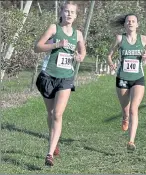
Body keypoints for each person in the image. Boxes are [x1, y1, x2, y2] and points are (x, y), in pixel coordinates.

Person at [34, 1, 86, 166]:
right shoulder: (53, 28)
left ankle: (49, 154)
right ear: (62, 12)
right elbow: (37, 47)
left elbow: (82, 50)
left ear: (76, 16)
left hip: (66, 77)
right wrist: (56, 44)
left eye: (73, 12)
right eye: (67, 11)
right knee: (50, 114)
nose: (70, 14)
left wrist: (80, 57)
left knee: (57, 114)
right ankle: (54, 141)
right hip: (48, 75)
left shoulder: (77, 34)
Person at [107, 14, 146, 151]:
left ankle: (131, 141)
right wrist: (111, 63)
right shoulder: (119, 38)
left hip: (138, 78)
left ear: (137, 25)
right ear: (125, 25)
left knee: (134, 108)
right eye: (128, 21)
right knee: (126, 109)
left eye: (133, 21)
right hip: (122, 78)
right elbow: (109, 55)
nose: (130, 23)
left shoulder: (143, 39)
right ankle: (125, 117)